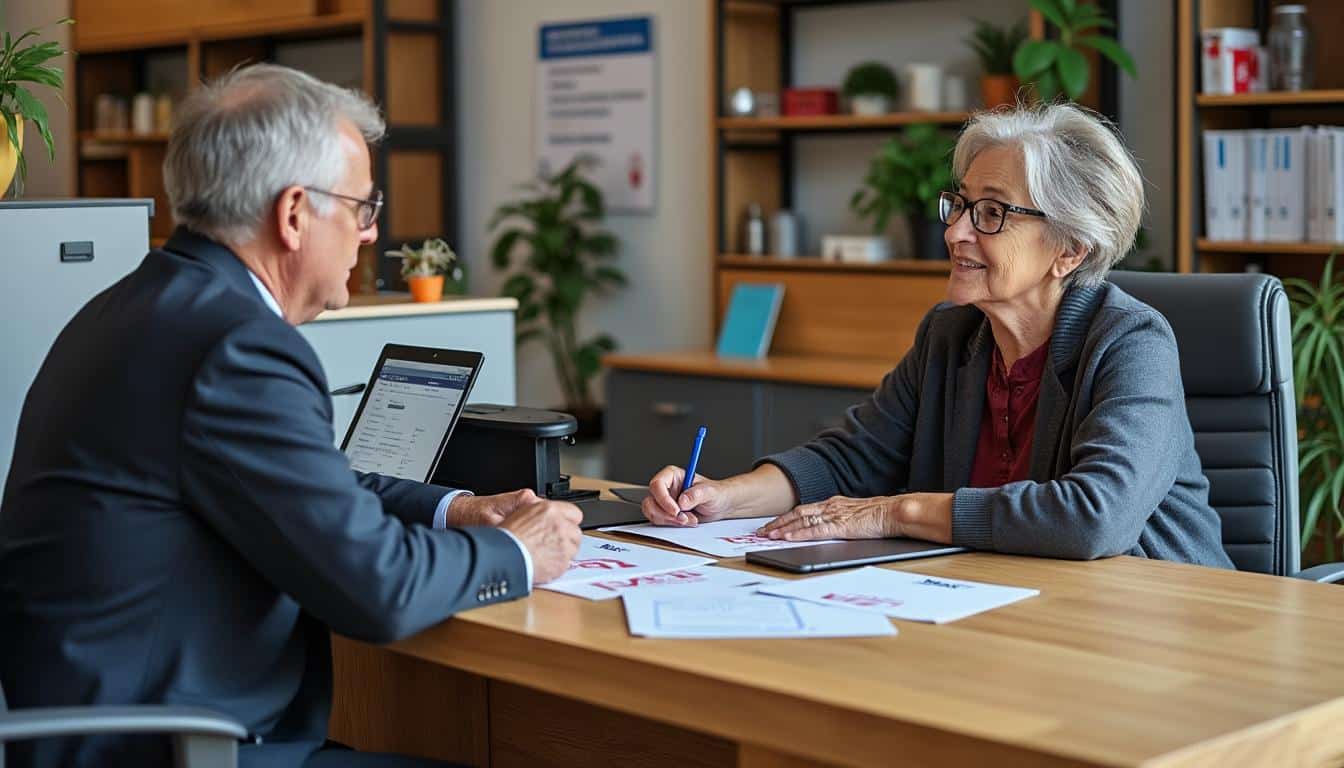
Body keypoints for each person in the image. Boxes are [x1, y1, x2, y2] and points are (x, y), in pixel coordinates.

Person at [0, 64, 583, 768]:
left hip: (114, 731)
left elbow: (313, 490)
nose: (370, 234)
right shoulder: (237, 344)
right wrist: (519, 552)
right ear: (295, 213)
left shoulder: (136, 306)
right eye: (363, 208)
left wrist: (457, 509)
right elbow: (377, 589)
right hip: (171, 750)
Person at [642, 102, 1233, 569]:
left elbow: (1093, 517)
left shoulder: (1131, 343)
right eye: (960, 205)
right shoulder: (950, 335)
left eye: (992, 214)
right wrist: (724, 497)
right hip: (1007, 602)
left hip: (1162, 628)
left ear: (1070, 249)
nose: (955, 233)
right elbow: (850, 459)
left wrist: (894, 513)